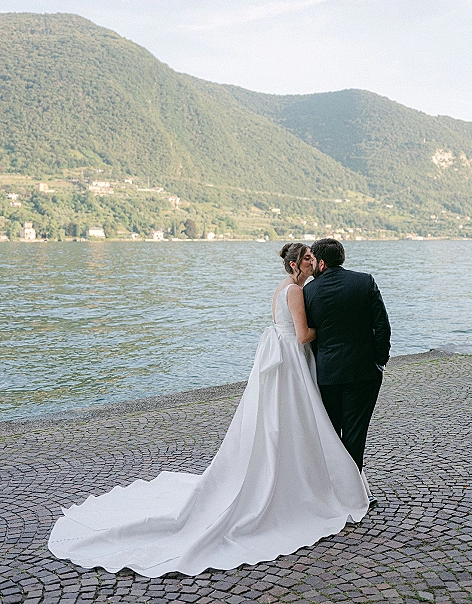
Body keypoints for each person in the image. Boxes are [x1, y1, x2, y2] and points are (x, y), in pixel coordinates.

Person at [48, 243, 370, 578]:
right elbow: (303, 335)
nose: (311, 262)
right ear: (295, 264)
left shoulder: (285, 288)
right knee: (296, 420)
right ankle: (303, 482)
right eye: (306, 258)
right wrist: (336, 331)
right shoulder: (295, 291)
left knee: (281, 422)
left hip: (281, 358)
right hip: (291, 360)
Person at [303, 238, 391, 488]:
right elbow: (382, 325)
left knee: (330, 433)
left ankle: (333, 489)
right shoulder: (364, 281)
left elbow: (310, 335)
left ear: (320, 262)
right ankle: (353, 490)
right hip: (364, 370)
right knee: (356, 433)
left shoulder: (309, 291)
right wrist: (379, 361)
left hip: (327, 372)